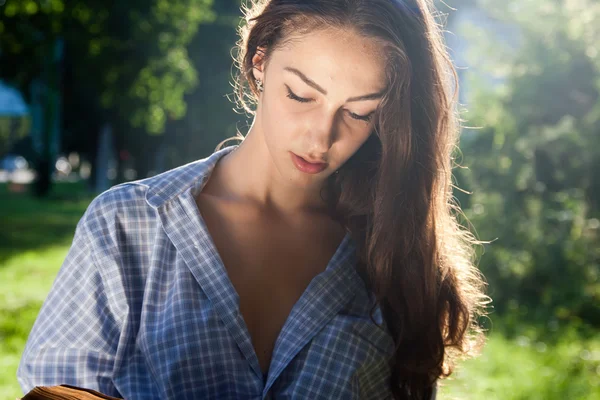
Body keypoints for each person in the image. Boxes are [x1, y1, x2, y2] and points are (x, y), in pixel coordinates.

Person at [18, 0, 489, 399]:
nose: (321, 138)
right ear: (259, 62)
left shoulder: (390, 254)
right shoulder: (127, 225)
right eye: (300, 95)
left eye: (359, 112)